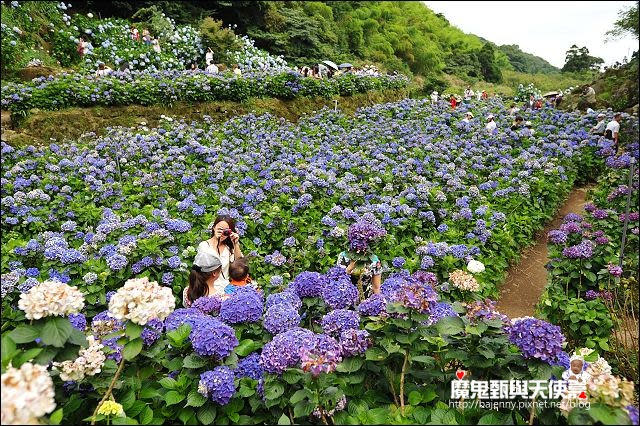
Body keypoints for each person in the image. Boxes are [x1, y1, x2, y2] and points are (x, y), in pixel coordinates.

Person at [197, 215, 244, 295]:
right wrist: (216, 240)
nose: (222, 233)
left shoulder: (229, 248)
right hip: (208, 288)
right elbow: (205, 266)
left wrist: (236, 244)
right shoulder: (204, 245)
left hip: (226, 288)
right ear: (213, 228)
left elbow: (240, 265)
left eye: (226, 231)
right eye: (220, 230)